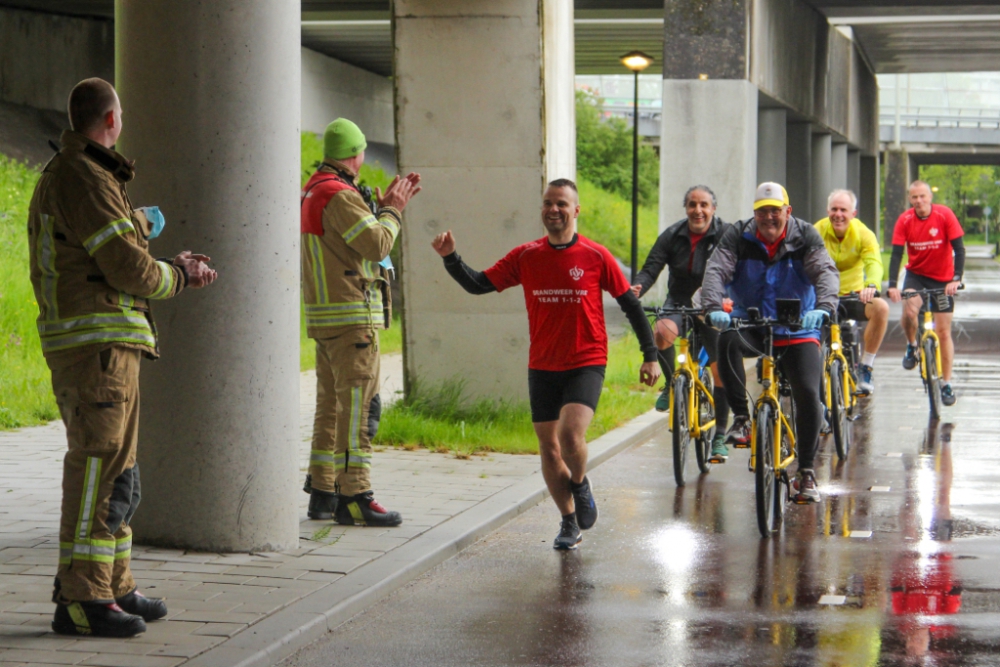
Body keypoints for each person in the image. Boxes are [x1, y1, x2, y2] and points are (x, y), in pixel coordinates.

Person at [28, 78, 218, 637]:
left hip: (106, 348)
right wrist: (179, 275)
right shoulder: (84, 176)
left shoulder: (85, 174)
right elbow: (127, 268)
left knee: (120, 473)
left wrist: (169, 263)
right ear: (111, 120)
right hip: (95, 351)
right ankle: (83, 599)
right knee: (97, 468)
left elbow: (119, 257)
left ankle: (113, 585)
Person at [431, 179, 660, 550]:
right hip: (542, 364)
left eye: (562, 204)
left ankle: (581, 482)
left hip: (586, 360)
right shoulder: (526, 256)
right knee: (549, 449)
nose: (554, 210)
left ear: (576, 210)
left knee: (571, 436)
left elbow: (630, 305)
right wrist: (451, 257)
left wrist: (649, 355)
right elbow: (478, 284)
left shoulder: (596, 256)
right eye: (548, 203)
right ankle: (569, 521)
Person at [301, 118, 420, 527]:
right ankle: (356, 497)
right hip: (353, 321)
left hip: (325, 319)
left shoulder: (313, 191)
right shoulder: (340, 195)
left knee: (330, 408)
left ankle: (322, 491)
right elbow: (377, 243)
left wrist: (378, 207)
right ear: (356, 154)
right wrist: (392, 210)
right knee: (358, 410)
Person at [701, 182, 839, 504]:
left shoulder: (805, 236)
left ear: (787, 212)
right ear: (755, 214)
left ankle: (805, 472)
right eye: (762, 211)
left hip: (797, 328)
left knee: (808, 392)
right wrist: (712, 308)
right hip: (752, 324)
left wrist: (823, 308)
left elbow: (825, 273)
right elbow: (715, 271)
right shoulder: (737, 235)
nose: (769, 217)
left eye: (775, 211)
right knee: (727, 340)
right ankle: (742, 419)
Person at [630, 185, 731, 462]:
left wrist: (733, 299)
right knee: (661, 332)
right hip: (680, 300)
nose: (698, 210)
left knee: (720, 366)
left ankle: (720, 434)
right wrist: (638, 286)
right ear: (686, 208)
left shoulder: (726, 234)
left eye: (704, 205)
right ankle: (672, 384)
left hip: (713, 303)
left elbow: (740, 267)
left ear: (713, 209)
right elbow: (652, 266)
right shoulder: (673, 235)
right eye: (692, 205)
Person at [886, 181, 965, 406]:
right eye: (914, 197)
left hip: (943, 278)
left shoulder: (944, 215)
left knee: (943, 332)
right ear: (910, 200)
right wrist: (893, 284)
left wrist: (956, 279)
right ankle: (912, 345)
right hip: (916, 275)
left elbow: (959, 249)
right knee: (910, 307)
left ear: (930, 197)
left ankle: (946, 383)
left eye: (922, 196)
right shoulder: (905, 220)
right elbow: (896, 254)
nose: (919, 201)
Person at [814, 189, 889, 395]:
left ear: (853, 213)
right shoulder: (816, 231)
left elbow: (874, 262)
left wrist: (872, 285)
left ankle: (866, 366)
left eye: (843, 210)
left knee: (881, 308)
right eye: (834, 209)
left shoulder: (863, 233)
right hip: (822, 298)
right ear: (828, 211)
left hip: (853, 295)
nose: (838, 214)